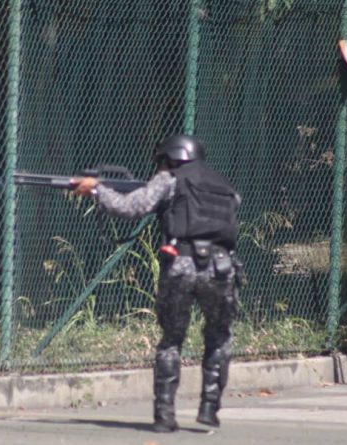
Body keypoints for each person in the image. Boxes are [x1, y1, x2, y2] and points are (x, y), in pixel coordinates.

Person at [71, 134, 241, 432]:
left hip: (181, 265)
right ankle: (209, 409)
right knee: (219, 338)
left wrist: (96, 189)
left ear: (172, 159)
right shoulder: (225, 187)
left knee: (171, 341)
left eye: (163, 162)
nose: (160, 168)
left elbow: (130, 208)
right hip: (221, 268)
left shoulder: (169, 180)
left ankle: (164, 416)